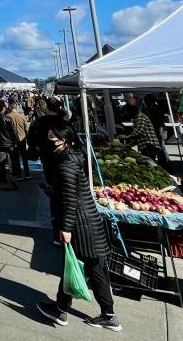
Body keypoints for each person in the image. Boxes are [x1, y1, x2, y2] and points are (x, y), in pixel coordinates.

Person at [36, 122, 120, 332]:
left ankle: (61, 309)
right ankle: (107, 315)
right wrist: (51, 191)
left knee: (73, 267)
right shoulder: (76, 157)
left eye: (53, 138)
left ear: (64, 140)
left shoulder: (66, 166)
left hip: (81, 225)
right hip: (90, 221)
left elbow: (70, 201)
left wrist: (65, 228)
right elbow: (68, 193)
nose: (50, 142)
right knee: (92, 268)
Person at [7, 102, 31, 179]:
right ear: (16, 108)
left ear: (10, 107)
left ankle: (18, 174)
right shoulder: (22, 117)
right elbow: (26, 129)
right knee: (24, 157)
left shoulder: (7, 116)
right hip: (22, 138)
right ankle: (27, 174)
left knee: (15, 157)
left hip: (12, 140)